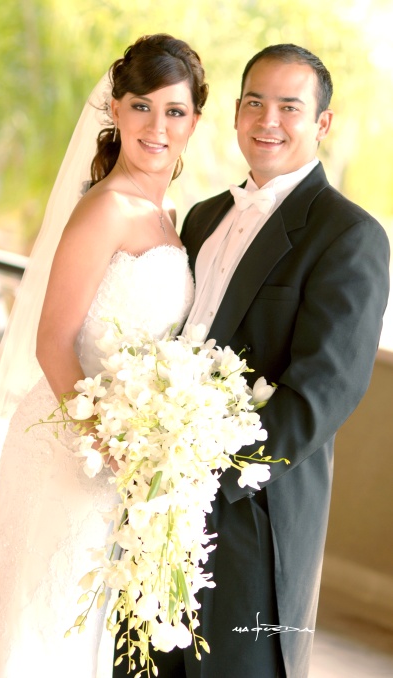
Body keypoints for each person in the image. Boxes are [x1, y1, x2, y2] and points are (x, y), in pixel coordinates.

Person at [0, 33, 208, 678]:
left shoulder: (169, 213)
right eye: (142, 106)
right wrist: (104, 439)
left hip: (121, 454)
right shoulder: (107, 209)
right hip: (72, 445)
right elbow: (52, 339)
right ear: (115, 109)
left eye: (175, 111)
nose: (157, 126)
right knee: (34, 611)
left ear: (195, 122)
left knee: (75, 624)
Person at [150, 44, 389, 678]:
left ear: (322, 122)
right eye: (254, 102)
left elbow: (324, 392)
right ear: (234, 113)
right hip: (157, 506)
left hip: (256, 516)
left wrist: (212, 478)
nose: (268, 120)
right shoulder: (203, 217)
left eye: (290, 105)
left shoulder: (348, 235)